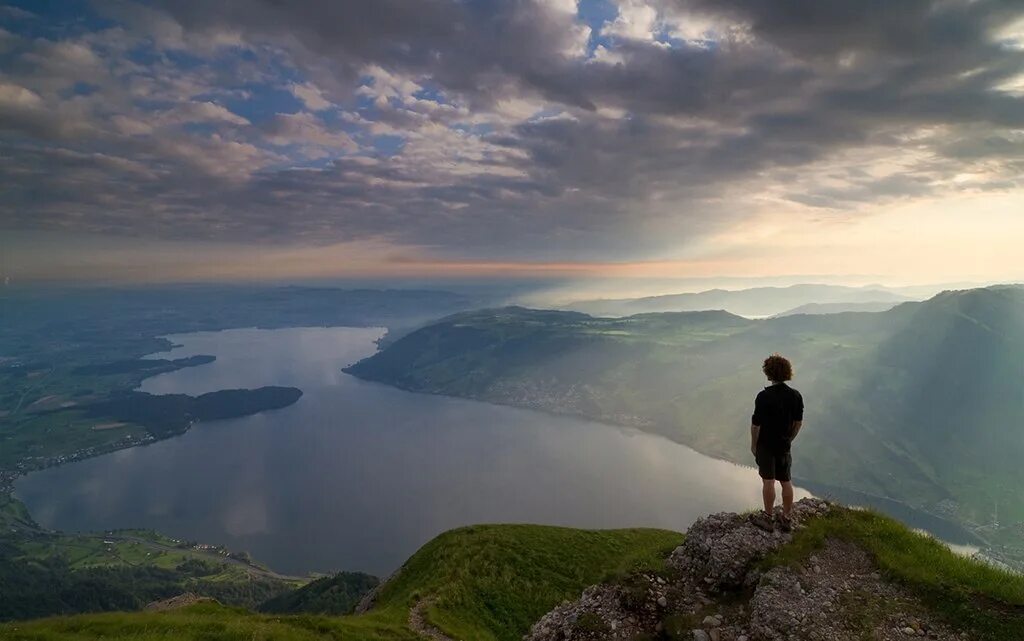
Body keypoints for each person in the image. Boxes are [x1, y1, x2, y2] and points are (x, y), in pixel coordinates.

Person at [749, 353, 803, 532]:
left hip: (766, 444)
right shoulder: (795, 396)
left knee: (768, 482)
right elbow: (798, 423)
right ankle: (787, 518)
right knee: (786, 480)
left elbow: (756, 425)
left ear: (769, 372)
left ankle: (768, 518)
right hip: (784, 444)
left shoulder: (763, 396)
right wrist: (790, 438)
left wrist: (753, 444)